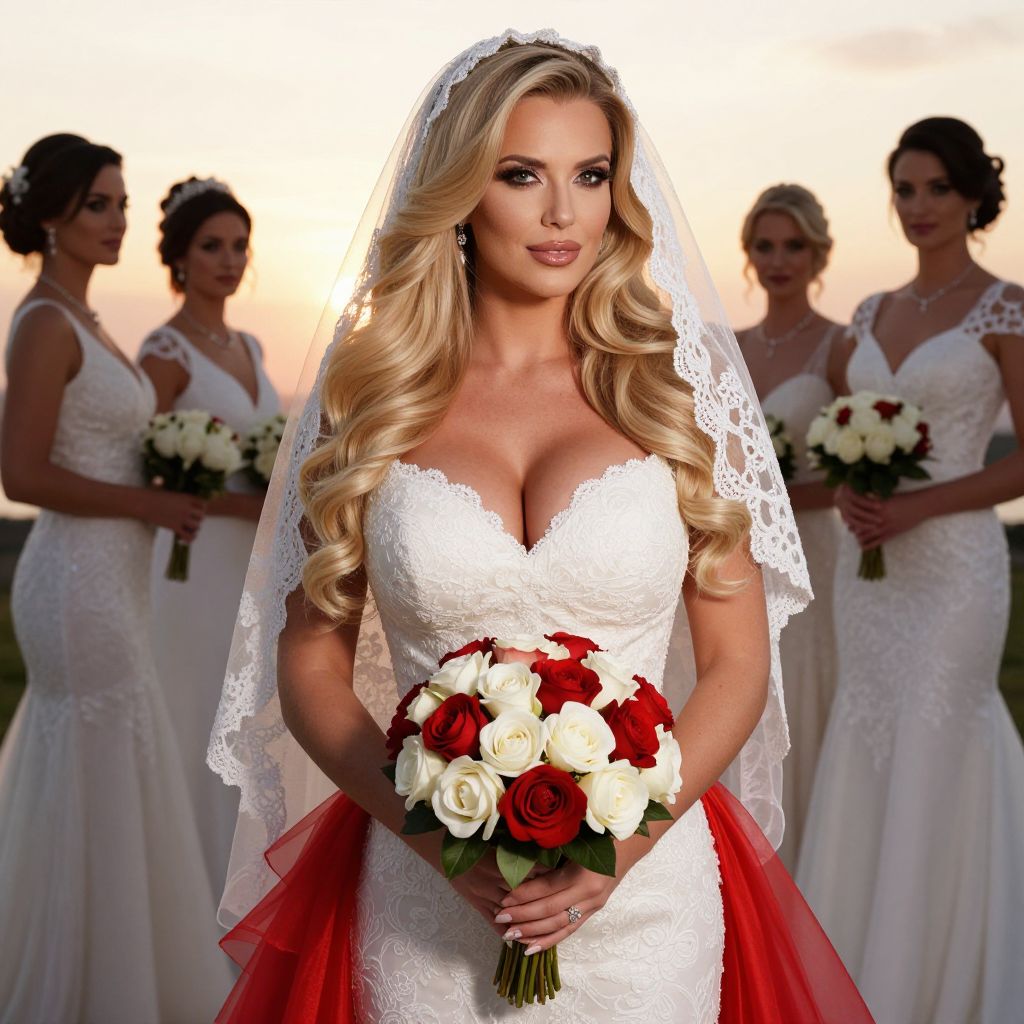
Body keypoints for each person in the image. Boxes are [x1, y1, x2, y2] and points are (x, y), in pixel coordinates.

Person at [208, 32, 873, 1023]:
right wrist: (435, 837)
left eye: (590, 174)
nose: (563, 212)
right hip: (424, 889)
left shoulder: (676, 401)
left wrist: (619, 849)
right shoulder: (373, 400)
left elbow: (734, 665)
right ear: (462, 191)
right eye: (522, 175)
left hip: (643, 894)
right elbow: (309, 666)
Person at [0, 134, 231, 1021]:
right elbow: (21, 476)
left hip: (118, 582)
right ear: (51, 214)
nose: (118, 221)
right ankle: (81, 987)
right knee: (92, 769)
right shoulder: (44, 324)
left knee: (113, 770)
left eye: (123, 204)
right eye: (99, 204)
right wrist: (147, 506)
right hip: (73, 583)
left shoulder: (87, 319)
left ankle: (118, 973)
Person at [798, 116, 1024, 1023]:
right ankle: (849, 974)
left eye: (936, 188)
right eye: (904, 189)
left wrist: (917, 506)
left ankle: (938, 981)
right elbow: (852, 440)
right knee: (871, 731)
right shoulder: (868, 317)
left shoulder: (1006, 308)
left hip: (957, 568)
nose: (918, 206)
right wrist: (856, 493)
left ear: (973, 195)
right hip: (870, 569)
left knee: (940, 730)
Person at [138, 177, 280, 897]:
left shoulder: (251, 345)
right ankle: (185, 895)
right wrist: (231, 503)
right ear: (180, 258)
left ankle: (242, 889)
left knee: (246, 719)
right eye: (212, 246)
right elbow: (141, 472)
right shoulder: (165, 350)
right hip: (192, 568)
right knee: (196, 714)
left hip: (249, 568)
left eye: (238, 246)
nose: (229, 260)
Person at [735, 183, 842, 870]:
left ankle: (810, 867)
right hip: (739, 559)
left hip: (815, 559)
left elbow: (855, 471)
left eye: (794, 245)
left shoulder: (840, 346)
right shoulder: (726, 345)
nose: (780, 260)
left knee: (806, 704)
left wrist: (775, 497)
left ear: (818, 252)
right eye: (765, 246)